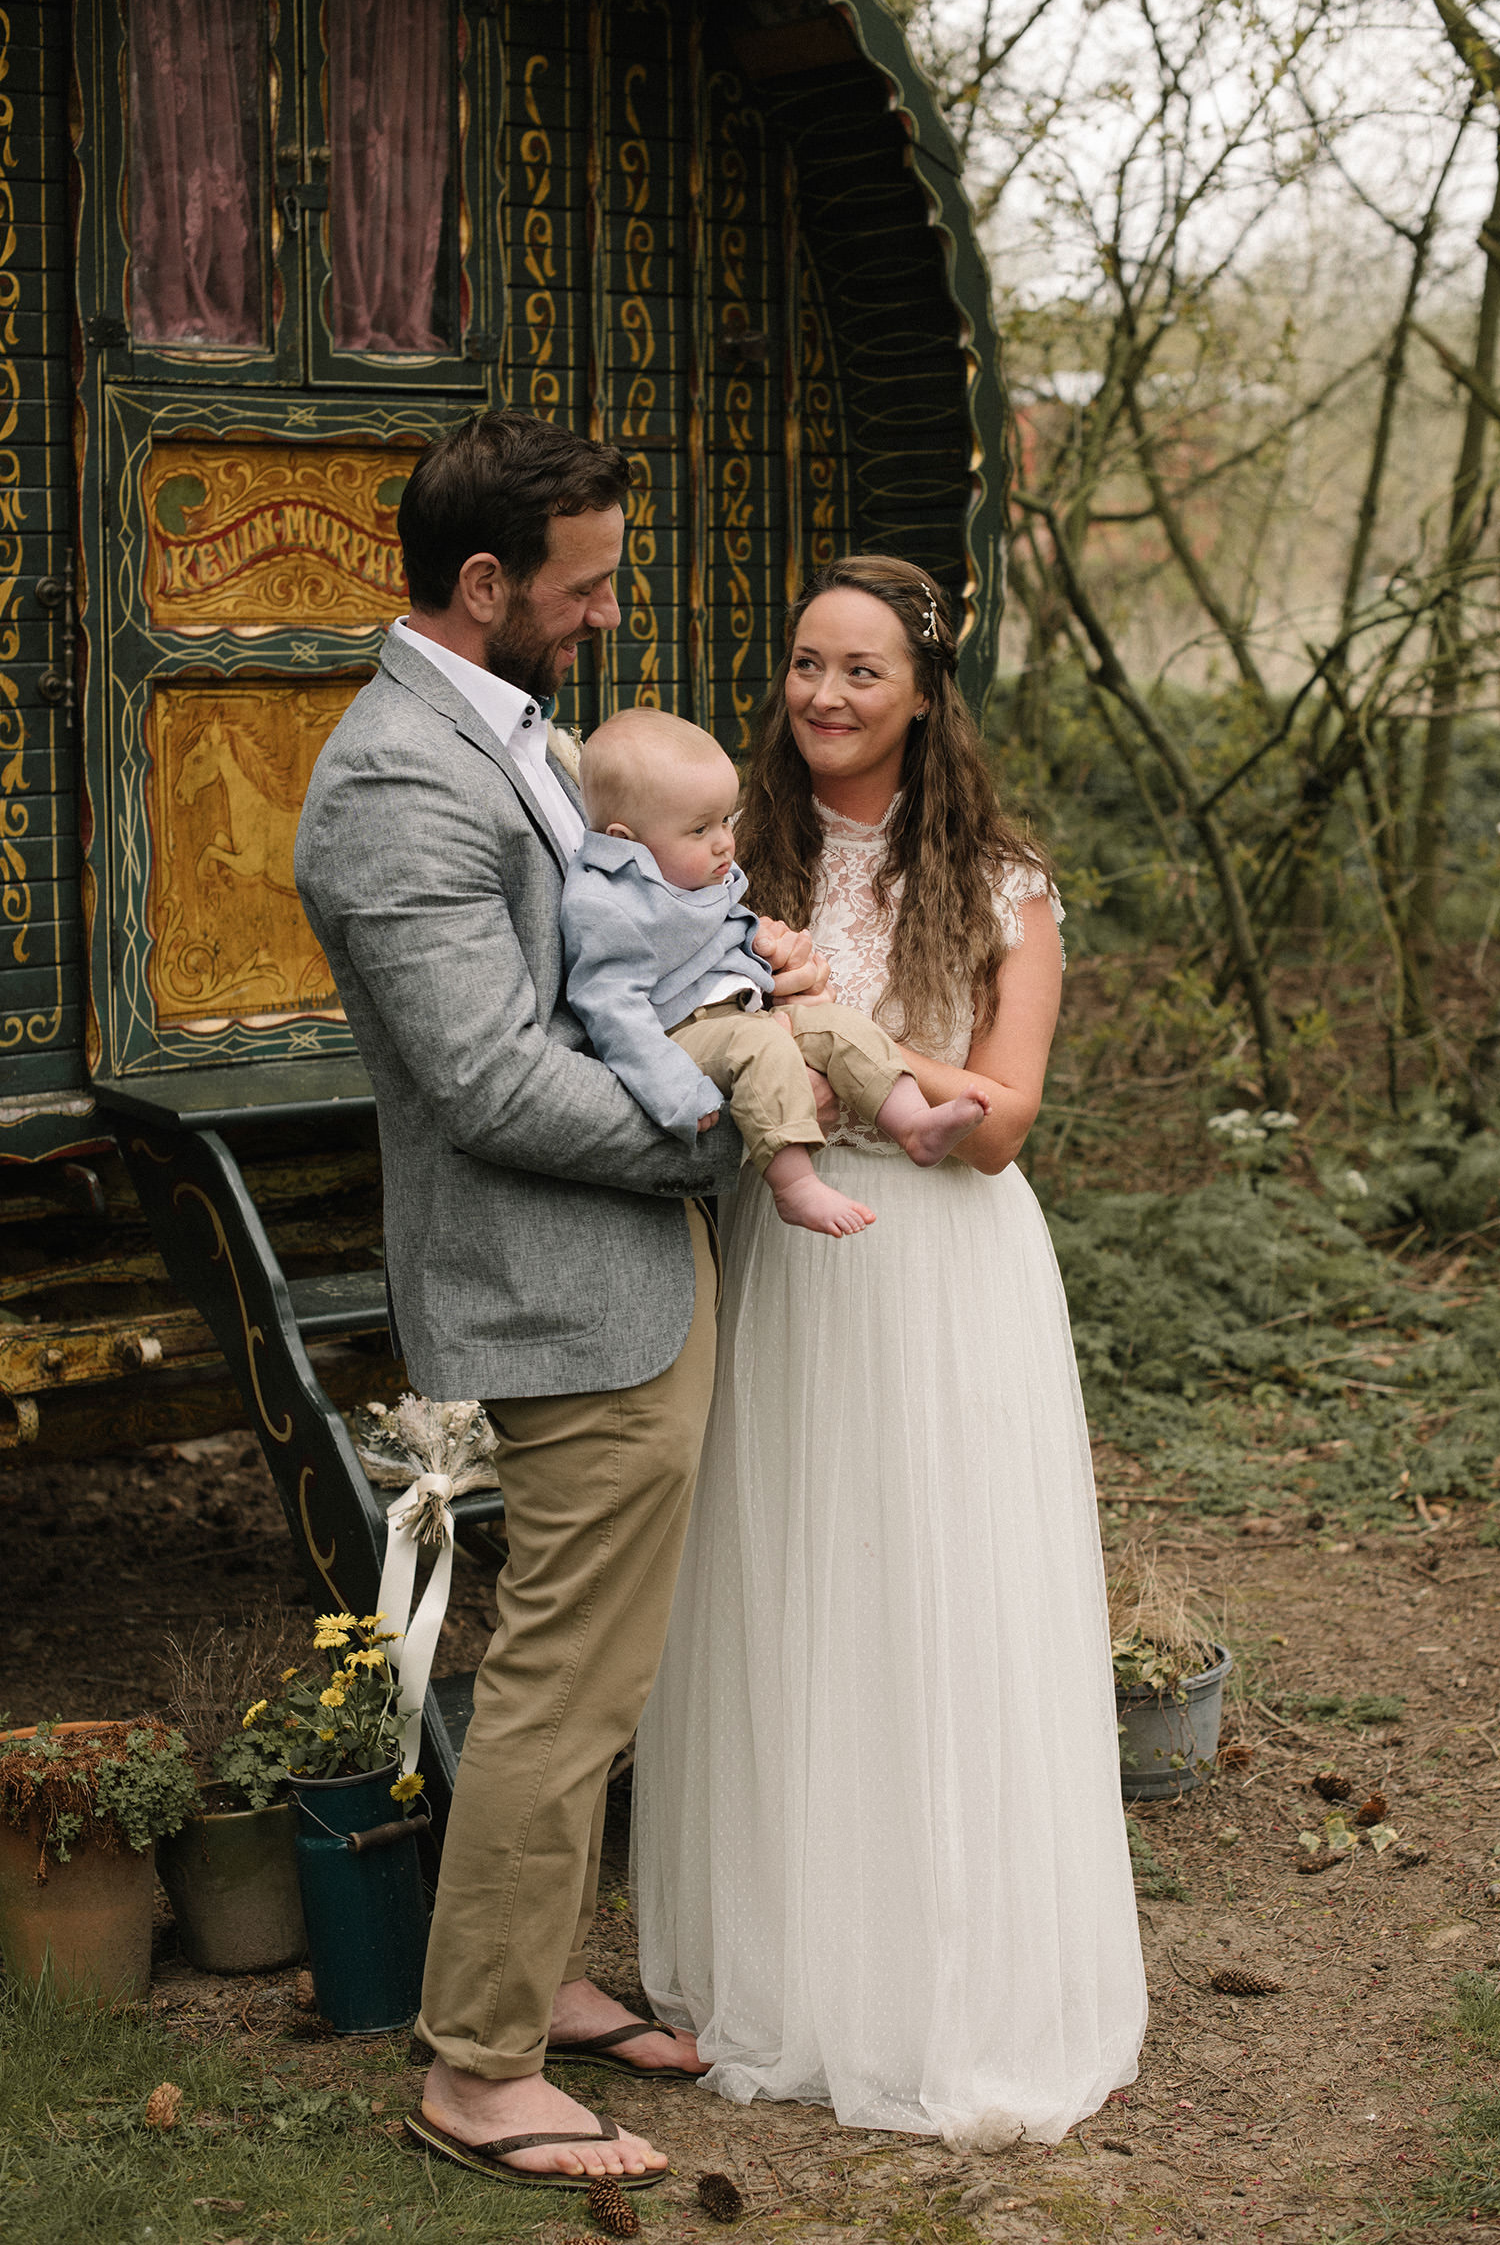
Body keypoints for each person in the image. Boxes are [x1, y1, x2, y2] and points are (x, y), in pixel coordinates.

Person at [294, 409, 828, 2192]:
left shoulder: (507, 733)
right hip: (556, 1289)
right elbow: (494, 1083)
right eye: (583, 587)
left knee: (593, 1672)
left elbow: (609, 962)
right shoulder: (393, 781)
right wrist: (717, 1139)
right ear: (483, 582)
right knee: (561, 1684)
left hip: (614, 1278)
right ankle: (476, 2070)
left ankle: (523, 1980)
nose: (604, 617)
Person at [631, 555, 1148, 2148]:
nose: (826, 695)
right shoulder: (726, 856)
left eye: (861, 670)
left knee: (941, 1595)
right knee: (796, 1590)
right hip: (792, 1261)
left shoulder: (1005, 885)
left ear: (924, 692)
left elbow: (997, 1128)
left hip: (943, 1270)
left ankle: (953, 1978)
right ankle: (796, 1957)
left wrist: (836, 1036)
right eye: (804, 664)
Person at [561, 708, 991, 1236]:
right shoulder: (604, 904)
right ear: (626, 839)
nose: (723, 841)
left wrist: (762, 950)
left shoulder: (684, 870)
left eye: (724, 819)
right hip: (676, 1037)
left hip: (738, 1016)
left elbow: (718, 941)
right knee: (760, 1049)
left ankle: (913, 1123)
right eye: (700, 828)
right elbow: (610, 1007)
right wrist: (672, 1088)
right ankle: (794, 1185)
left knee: (839, 1025)